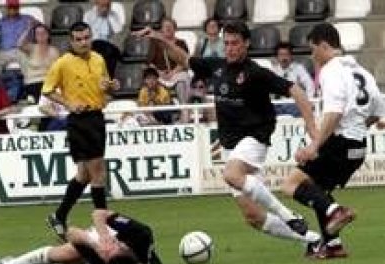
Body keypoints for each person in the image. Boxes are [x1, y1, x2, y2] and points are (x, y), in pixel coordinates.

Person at [135, 21, 321, 247]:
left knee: (231, 174)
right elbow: (183, 58)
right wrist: (158, 38)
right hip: (230, 145)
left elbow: (296, 91)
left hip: (254, 138)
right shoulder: (217, 66)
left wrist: (312, 129)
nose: (230, 48)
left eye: (235, 43)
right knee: (253, 217)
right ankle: (311, 240)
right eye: (227, 44)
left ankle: (288, 215)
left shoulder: (256, 73)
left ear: (246, 44)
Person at [280, 23, 385, 259]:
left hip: (340, 142)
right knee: (319, 190)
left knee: (291, 185)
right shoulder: (363, 72)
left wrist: (314, 146)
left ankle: (336, 211)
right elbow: (378, 112)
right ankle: (333, 246)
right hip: (358, 148)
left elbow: (335, 111)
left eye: (313, 49)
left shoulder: (330, 70)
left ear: (324, 45)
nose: (312, 55)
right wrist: (360, 127)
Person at [41, 21, 119, 241]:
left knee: (84, 174)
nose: (84, 42)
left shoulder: (98, 59)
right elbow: (47, 90)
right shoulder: (63, 63)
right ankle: (105, 229)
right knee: (98, 174)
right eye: (79, 39)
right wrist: (68, 104)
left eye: (86, 37)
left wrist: (111, 87)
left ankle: (59, 215)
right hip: (80, 121)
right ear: (71, 41)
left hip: (97, 117)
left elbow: (104, 89)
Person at [0, 209, 162, 264]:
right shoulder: (140, 234)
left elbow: (72, 234)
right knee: (68, 251)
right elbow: (98, 213)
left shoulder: (105, 263)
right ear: (121, 246)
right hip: (105, 234)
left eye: (105, 255)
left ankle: (65, 258)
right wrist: (102, 239)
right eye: (108, 252)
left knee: (72, 255)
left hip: (101, 256)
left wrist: (99, 251)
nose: (105, 252)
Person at [147, 17, 191, 122]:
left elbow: (186, 62)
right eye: (165, 27)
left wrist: (173, 73)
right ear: (161, 29)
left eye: (170, 27)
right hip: (161, 75)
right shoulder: (156, 44)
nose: (167, 29)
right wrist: (159, 73)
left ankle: (184, 113)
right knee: (151, 82)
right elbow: (150, 64)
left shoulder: (181, 43)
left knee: (181, 82)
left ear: (175, 29)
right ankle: (156, 117)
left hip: (177, 73)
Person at [18, 23, 60, 103]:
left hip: (47, 83)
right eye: (38, 33)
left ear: (48, 35)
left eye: (43, 33)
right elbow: (19, 44)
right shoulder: (31, 48)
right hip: (32, 82)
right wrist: (29, 29)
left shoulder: (54, 51)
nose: (41, 35)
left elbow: (57, 71)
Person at [271, 42, 315, 117]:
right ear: (277, 57)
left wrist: (308, 101)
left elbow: (310, 85)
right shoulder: (273, 71)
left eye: (286, 55)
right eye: (281, 55)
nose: (284, 58)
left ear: (291, 56)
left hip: (294, 104)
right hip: (278, 105)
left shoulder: (299, 68)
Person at [83, 0, 123, 76]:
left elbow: (118, 32)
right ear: (96, 4)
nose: (104, 8)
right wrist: (97, 16)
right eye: (102, 6)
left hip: (111, 46)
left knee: (107, 51)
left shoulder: (115, 15)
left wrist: (108, 16)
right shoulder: (88, 15)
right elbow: (86, 35)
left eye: (107, 6)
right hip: (95, 46)